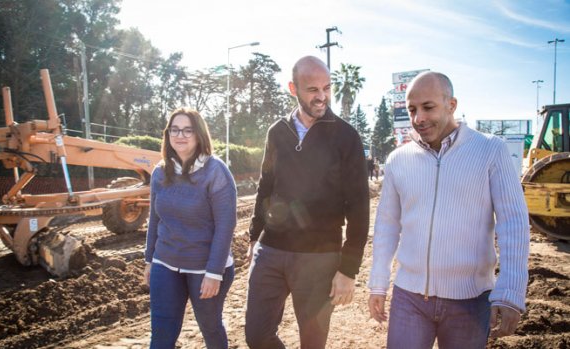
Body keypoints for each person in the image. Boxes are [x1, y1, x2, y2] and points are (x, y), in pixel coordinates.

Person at [367, 71, 530, 349]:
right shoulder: (398, 160)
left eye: (428, 107)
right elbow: (387, 225)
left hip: (470, 301)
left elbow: (513, 222)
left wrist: (511, 291)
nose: (418, 118)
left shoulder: (490, 150)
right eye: (412, 109)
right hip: (409, 298)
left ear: (451, 105)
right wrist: (378, 283)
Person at [245, 56, 370, 349]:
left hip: (320, 258)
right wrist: (254, 238)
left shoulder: (346, 137)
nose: (322, 96)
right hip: (271, 251)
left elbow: (360, 207)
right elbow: (266, 187)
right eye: (312, 89)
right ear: (293, 88)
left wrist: (348, 269)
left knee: (312, 343)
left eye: (327, 87)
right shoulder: (277, 131)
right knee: (257, 336)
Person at [144, 107, 237, 349]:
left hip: (204, 268)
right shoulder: (159, 172)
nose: (180, 135)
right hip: (165, 262)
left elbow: (225, 225)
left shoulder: (216, 171)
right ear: (168, 134)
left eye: (188, 130)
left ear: (199, 135)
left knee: (210, 327)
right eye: (175, 130)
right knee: (161, 334)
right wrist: (149, 260)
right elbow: (154, 219)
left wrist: (214, 272)